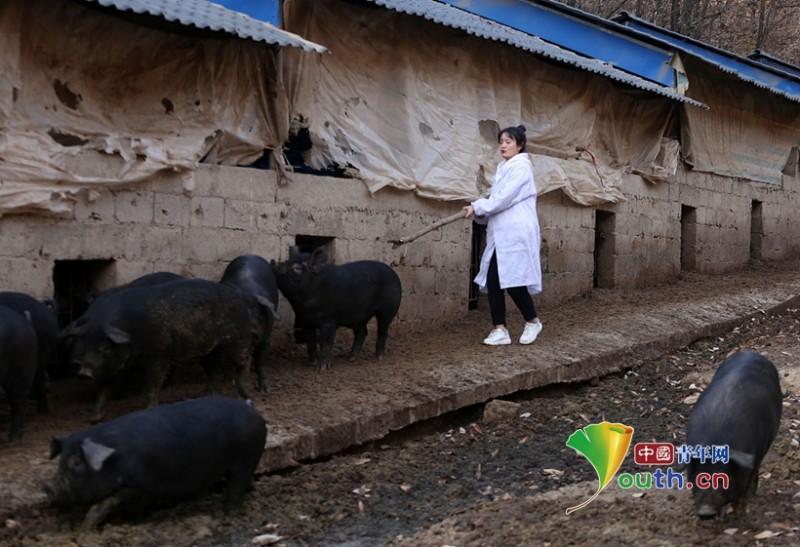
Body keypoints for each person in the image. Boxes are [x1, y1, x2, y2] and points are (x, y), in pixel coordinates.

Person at [463, 125, 542, 346]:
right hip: (502, 233)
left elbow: (503, 199)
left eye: (508, 142)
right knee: (494, 280)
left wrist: (477, 206)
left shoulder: (521, 168)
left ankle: (533, 321)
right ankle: (500, 329)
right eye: (501, 142)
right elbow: (497, 200)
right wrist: (479, 210)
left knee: (514, 281)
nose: (503, 146)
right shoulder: (504, 169)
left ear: (520, 145)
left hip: (517, 232)